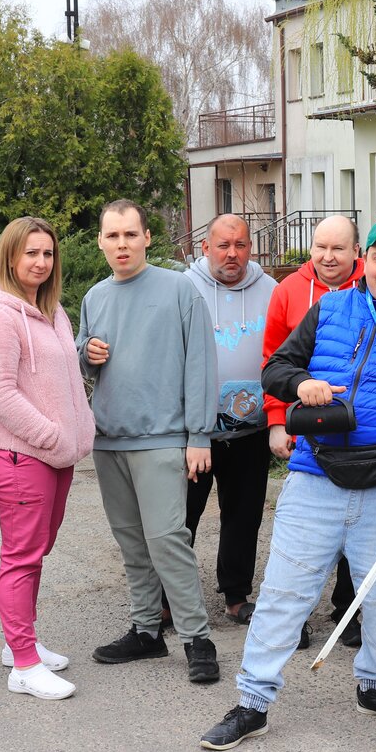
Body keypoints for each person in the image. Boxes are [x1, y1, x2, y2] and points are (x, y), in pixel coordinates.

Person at [198, 214, 376, 751]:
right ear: (367, 260)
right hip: (316, 479)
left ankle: (374, 684)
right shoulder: (331, 307)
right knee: (283, 596)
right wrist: (303, 383)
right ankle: (252, 702)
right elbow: (274, 368)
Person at [77, 199, 221, 684]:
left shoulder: (180, 289)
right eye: (112, 236)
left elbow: (201, 363)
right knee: (132, 542)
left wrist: (199, 434)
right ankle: (145, 630)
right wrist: (86, 354)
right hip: (108, 440)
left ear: (146, 238)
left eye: (130, 235)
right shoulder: (95, 297)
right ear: (100, 241)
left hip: (163, 439)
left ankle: (198, 639)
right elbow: (81, 364)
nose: (121, 244)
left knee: (167, 541)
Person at [0, 217, 95, 700]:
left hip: (57, 455)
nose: (41, 262)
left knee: (36, 550)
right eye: (31, 254)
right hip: (23, 454)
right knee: (21, 556)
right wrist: (50, 435)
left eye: (47, 254)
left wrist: (76, 431)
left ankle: (18, 642)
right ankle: (23, 665)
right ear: (10, 256)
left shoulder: (51, 310)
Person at [262, 214, 366, 647]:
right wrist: (275, 421)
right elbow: (272, 358)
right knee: (306, 534)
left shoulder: (372, 289)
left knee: (355, 530)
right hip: (305, 430)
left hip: (361, 434)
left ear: (356, 252)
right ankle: (298, 616)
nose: (327, 256)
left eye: (338, 248)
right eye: (320, 247)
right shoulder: (288, 291)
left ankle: (348, 611)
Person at [181, 214, 278, 625]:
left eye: (240, 245)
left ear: (250, 248)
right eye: (223, 245)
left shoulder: (271, 289)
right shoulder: (184, 288)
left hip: (250, 432)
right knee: (182, 516)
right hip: (194, 432)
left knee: (244, 515)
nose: (232, 254)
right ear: (206, 247)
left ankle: (237, 595)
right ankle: (171, 598)